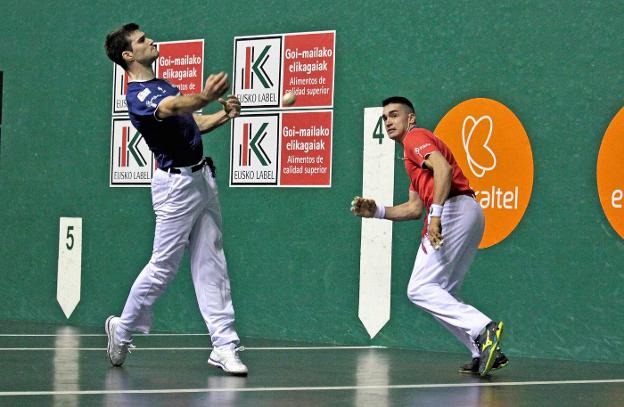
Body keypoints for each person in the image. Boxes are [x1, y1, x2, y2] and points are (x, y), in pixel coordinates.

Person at [103, 23, 247, 376]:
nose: (150, 41)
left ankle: (224, 345)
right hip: (175, 189)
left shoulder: (160, 83)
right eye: (141, 41)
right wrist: (204, 95)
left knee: (212, 262)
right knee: (163, 269)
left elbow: (192, 123)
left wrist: (223, 114)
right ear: (128, 55)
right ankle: (121, 330)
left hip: (202, 180)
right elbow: (177, 105)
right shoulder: (139, 97)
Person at [351, 96, 507, 376]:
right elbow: (413, 209)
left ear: (410, 118)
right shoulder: (411, 158)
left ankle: (484, 329)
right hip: (468, 211)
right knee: (443, 293)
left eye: (394, 115)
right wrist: (378, 211)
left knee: (419, 289)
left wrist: (435, 216)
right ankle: (481, 350)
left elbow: (444, 169)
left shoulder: (416, 138)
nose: (388, 122)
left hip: (454, 209)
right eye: (385, 117)